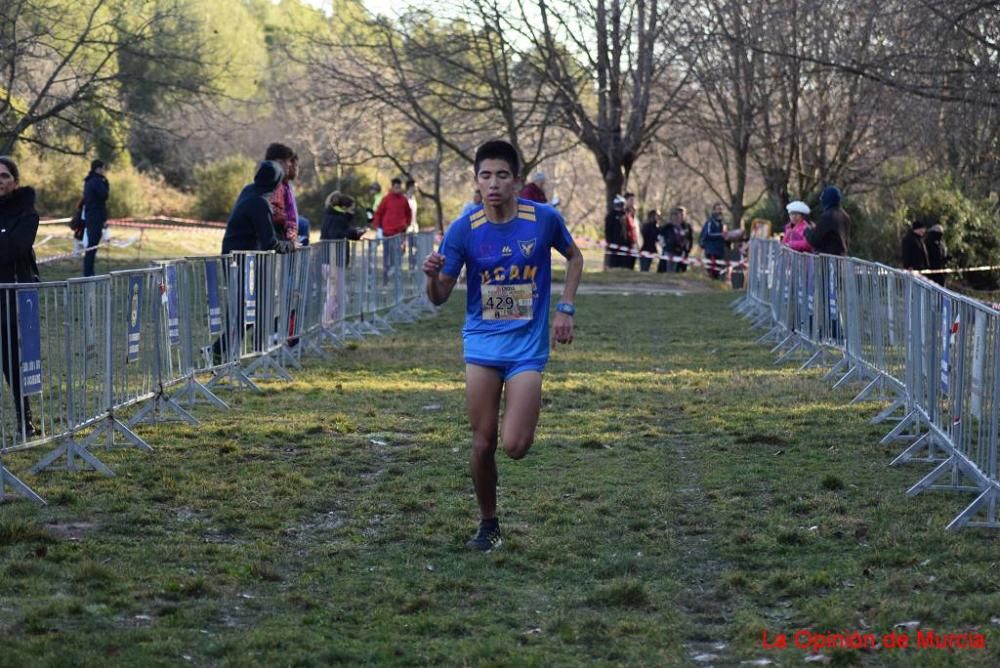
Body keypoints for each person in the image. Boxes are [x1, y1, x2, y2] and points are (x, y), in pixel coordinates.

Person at [422, 140, 583, 552]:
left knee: (514, 446)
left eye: (502, 175)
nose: (493, 184)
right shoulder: (465, 229)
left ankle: (519, 423)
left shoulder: (542, 219)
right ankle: (488, 523)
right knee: (482, 442)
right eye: (485, 176)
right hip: (482, 343)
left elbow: (575, 257)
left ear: (517, 180)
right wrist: (432, 276)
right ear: (476, 182)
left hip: (527, 346)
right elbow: (440, 296)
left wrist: (565, 308)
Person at [0, 156, 40, 437]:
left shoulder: (27, 214)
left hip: (11, 297)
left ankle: (24, 420)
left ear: (15, 181)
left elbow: (13, 248)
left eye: (3, 176)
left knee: (13, 363)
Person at [263, 143, 300, 247]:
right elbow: (276, 211)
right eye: (288, 162)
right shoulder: (277, 187)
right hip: (279, 240)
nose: (290, 166)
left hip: (285, 240)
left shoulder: (287, 186)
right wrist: (289, 232)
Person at [82, 159, 109, 277]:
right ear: (98, 168)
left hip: (91, 216)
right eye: (103, 168)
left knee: (92, 246)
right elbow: (104, 195)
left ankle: (89, 272)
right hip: (95, 217)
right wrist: (106, 183)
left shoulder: (89, 180)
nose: (104, 171)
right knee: (92, 246)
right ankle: (88, 273)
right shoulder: (97, 181)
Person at [806, 185, 850, 256]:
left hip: (827, 259)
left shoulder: (828, 216)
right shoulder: (845, 215)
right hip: (841, 258)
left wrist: (808, 231)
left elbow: (814, 239)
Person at [699, 202, 727, 279]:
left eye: (721, 209)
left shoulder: (722, 224)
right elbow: (707, 234)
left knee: (718, 272)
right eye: (718, 209)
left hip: (720, 252)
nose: (720, 211)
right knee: (711, 273)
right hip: (711, 251)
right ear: (714, 211)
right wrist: (720, 235)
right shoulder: (710, 222)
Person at [604, 195, 630, 269]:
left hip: (624, 244)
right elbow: (608, 231)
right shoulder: (610, 216)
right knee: (614, 262)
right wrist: (610, 243)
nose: (623, 207)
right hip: (614, 244)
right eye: (621, 205)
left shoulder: (624, 216)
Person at [924, 219, 948, 287]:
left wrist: (945, 259)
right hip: (931, 273)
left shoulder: (941, 244)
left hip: (941, 273)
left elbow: (942, 255)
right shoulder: (927, 243)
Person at [623, 192, 639, 270]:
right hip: (626, 243)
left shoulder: (633, 213)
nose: (633, 202)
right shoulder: (624, 213)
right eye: (631, 200)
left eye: (633, 200)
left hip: (634, 242)